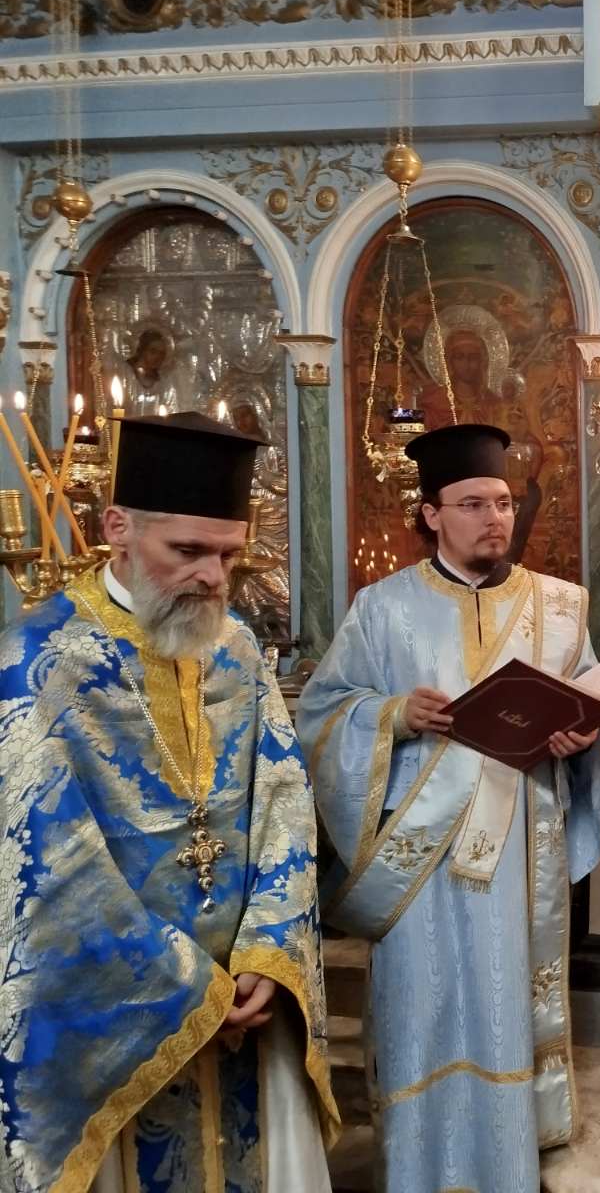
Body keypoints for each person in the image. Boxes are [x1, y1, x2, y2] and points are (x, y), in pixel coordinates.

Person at [0, 412, 337, 1191]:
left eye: (229, 554)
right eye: (187, 551)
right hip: (117, 1015)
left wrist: (269, 949)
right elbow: (47, 873)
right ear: (117, 528)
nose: (214, 577)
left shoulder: (236, 646)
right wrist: (188, 989)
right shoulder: (38, 662)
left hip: (250, 997)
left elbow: (284, 802)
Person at [297, 422, 600, 1190]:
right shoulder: (383, 610)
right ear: (432, 513)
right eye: (472, 504)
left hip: (520, 858)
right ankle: (419, 1168)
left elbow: (593, 704)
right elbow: (323, 712)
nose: (494, 519)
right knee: (425, 1006)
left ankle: (508, 1164)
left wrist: (581, 738)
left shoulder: (561, 607)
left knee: (504, 1000)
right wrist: (394, 714)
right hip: (424, 871)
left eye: (502, 503)